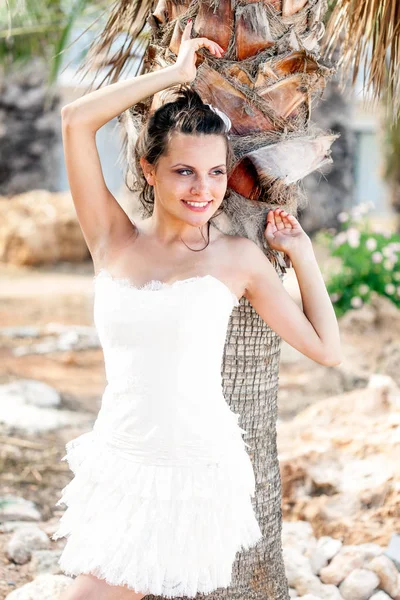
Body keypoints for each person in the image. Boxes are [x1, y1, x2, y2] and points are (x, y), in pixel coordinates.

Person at [53, 19, 342, 600]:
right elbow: (75, 121)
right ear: (148, 170)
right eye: (184, 171)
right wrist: (176, 74)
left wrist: (303, 256)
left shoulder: (236, 259)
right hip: (120, 463)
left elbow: (327, 351)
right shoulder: (113, 238)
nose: (203, 190)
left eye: (214, 173)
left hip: (194, 471)